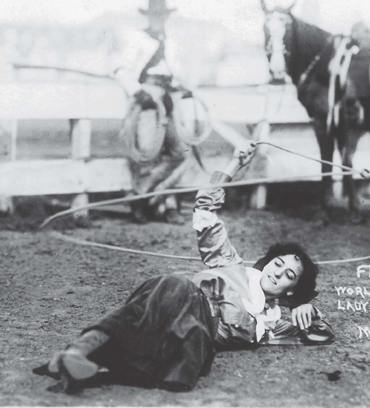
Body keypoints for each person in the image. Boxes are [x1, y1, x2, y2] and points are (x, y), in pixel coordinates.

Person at [33, 142, 335, 394]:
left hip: (192, 344)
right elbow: (205, 209)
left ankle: (77, 358)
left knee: (161, 308)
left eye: (288, 275)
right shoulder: (232, 266)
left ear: (291, 287)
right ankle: (77, 356)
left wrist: (306, 311)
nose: (277, 272)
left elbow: (320, 336)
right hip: (178, 308)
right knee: (171, 287)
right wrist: (233, 164)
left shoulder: (271, 322)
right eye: (277, 263)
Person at [115, 0, 195, 224]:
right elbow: (120, 70)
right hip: (148, 99)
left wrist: (182, 88)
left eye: (162, 15)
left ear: (167, 16)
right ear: (149, 16)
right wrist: (139, 93)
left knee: (181, 152)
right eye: (155, 15)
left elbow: (176, 74)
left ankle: (157, 201)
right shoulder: (138, 39)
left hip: (169, 98)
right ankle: (146, 204)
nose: (158, 19)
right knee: (147, 151)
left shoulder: (171, 42)